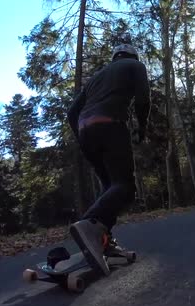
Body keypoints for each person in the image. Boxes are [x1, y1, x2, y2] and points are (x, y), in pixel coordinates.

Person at [66, 43, 150, 276]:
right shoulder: (135, 65)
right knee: (125, 186)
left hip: (85, 131)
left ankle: (103, 242)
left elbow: (72, 112)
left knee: (109, 188)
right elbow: (143, 98)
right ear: (133, 55)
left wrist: (83, 132)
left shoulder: (95, 78)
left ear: (114, 57)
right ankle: (88, 224)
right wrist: (142, 128)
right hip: (111, 125)